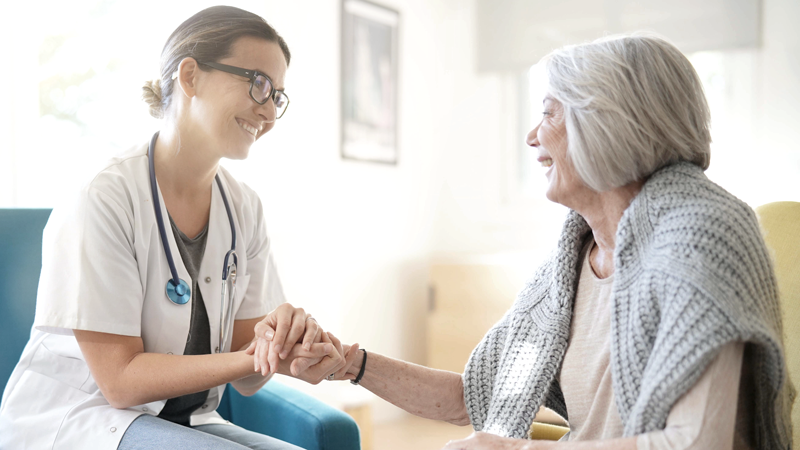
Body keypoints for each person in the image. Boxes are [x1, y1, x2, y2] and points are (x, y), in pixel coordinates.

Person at [257, 34, 796, 449]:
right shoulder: (569, 268)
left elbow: (695, 442)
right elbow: (478, 395)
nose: (532, 137)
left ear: (607, 122)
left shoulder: (700, 239)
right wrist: (349, 363)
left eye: (548, 112)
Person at [0, 6, 349, 449]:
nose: (269, 114)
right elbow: (121, 382)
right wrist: (251, 355)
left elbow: (248, 374)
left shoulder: (243, 207)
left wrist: (288, 345)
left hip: (186, 421)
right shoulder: (103, 198)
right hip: (88, 420)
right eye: (258, 84)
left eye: (277, 95)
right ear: (190, 77)